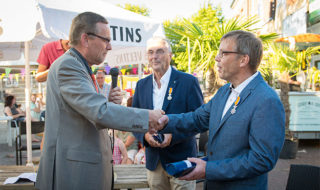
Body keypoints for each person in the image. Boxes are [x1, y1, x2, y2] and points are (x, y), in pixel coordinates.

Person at [35, 12, 163, 190]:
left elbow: (83, 110)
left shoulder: (80, 66)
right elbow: (99, 112)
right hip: (73, 174)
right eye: (106, 40)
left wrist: (106, 101)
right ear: (86, 39)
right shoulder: (68, 66)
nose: (110, 47)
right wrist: (147, 117)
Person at [157, 30, 285, 190]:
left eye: (223, 53)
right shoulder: (225, 91)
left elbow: (261, 160)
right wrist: (164, 122)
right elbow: (197, 119)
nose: (217, 58)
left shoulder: (267, 100)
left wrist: (208, 169)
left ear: (243, 60)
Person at [133, 36, 203, 190]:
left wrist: (172, 136)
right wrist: (144, 136)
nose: (154, 56)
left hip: (182, 160)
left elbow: (199, 120)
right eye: (150, 52)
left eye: (160, 51)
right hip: (154, 162)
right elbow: (134, 120)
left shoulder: (188, 82)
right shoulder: (141, 85)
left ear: (170, 55)